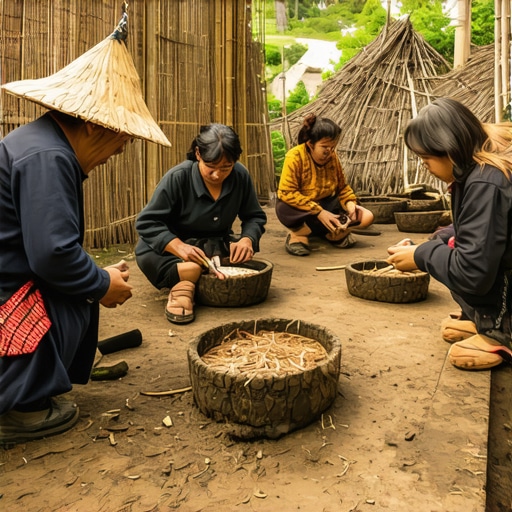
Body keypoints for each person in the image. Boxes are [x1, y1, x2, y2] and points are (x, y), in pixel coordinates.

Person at [0, 8, 172, 444]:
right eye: (121, 137)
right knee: (79, 295)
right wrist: (101, 283)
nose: (121, 148)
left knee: (82, 284)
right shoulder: (49, 157)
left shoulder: (41, 144)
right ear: (96, 124)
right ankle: (20, 406)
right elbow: (53, 254)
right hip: (8, 300)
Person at [387, 97, 512, 371]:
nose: (425, 166)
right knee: (448, 247)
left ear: (450, 151)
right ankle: (482, 319)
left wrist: (421, 255)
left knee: (460, 263)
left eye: (426, 158)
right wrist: (437, 240)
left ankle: (502, 334)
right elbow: (478, 226)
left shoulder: (486, 181)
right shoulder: (476, 171)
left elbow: (473, 272)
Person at [135, 123, 267, 325]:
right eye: (211, 167)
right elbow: (147, 222)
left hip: (212, 246)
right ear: (198, 154)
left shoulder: (240, 175)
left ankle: (195, 276)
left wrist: (247, 240)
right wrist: (179, 247)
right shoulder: (178, 177)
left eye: (226, 168)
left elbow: (254, 216)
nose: (217, 175)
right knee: (182, 265)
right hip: (168, 251)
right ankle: (184, 284)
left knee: (235, 258)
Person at [275, 114, 374, 256]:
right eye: (325, 147)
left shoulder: (333, 157)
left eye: (332, 147)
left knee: (366, 217)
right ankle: (299, 234)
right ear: (310, 144)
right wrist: (319, 212)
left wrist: (350, 204)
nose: (329, 152)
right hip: (304, 212)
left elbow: (343, 188)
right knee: (283, 207)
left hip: (328, 208)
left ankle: (334, 232)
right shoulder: (295, 156)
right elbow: (287, 193)